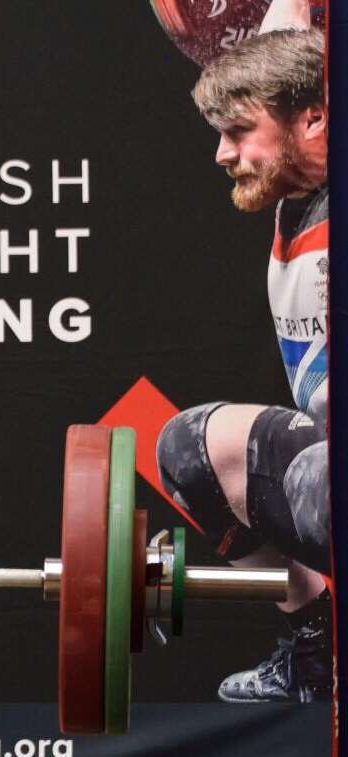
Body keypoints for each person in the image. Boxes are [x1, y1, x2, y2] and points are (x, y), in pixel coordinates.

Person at [156, 22, 331, 702]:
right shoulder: (296, 192)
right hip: (327, 473)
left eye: (238, 133)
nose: (222, 154)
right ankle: (318, 647)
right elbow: (289, 40)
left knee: (321, 474)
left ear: (314, 120)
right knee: (189, 448)